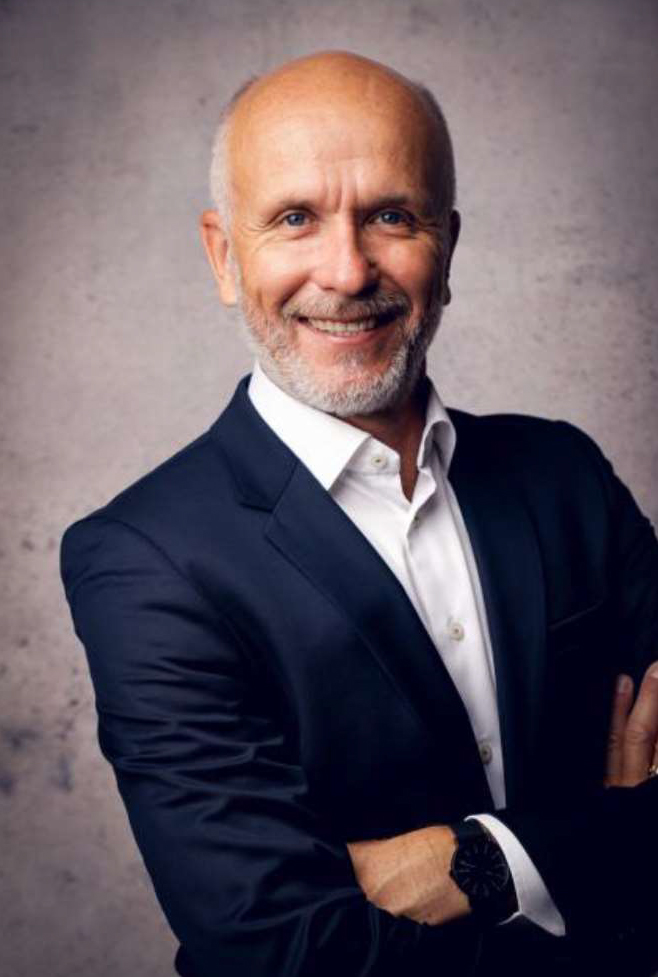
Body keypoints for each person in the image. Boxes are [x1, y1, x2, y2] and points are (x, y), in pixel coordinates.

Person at [60, 50, 658, 977]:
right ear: (224, 256)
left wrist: (484, 863)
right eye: (294, 218)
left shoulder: (563, 474)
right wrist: (615, 837)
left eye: (390, 216)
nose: (345, 272)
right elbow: (282, 949)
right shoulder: (144, 559)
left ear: (447, 248)